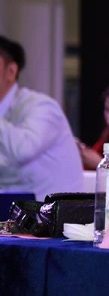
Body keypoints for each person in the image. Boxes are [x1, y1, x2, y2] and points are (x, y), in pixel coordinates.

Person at [0, 35, 83, 200]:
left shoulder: (43, 107)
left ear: (11, 71)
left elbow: (23, 150)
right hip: (13, 207)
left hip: (51, 212)